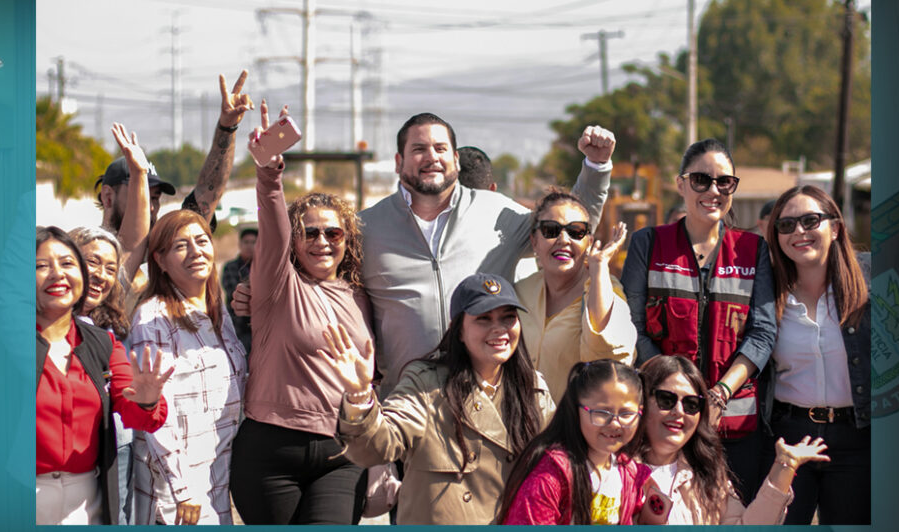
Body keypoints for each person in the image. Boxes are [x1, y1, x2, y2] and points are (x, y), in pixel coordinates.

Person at [232, 115, 614, 397]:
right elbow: (315, 276)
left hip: (487, 398)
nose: (431, 157)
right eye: (418, 149)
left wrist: (595, 168)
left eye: (440, 148)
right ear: (399, 162)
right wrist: (259, 296)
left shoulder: (498, 213)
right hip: (405, 405)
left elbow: (568, 226)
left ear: (456, 160)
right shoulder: (366, 228)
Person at [228, 102, 373, 524]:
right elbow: (272, 230)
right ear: (294, 240)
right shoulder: (277, 285)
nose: (322, 241)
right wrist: (269, 174)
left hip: (342, 452)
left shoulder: (361, 295)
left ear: (347, 239)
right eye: (309, 232)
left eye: (333, 232)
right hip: (270, 452)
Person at [620, 138, 776, 505]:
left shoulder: (754, 250)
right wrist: (678, 392)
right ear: (681, 184)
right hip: (665, 423)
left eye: (725, 182)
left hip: (735, 429)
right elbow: (631, 327)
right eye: (701, 180)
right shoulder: (648, 243)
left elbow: (763, 332)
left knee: (736, 523)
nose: (713, 191)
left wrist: (720, 394)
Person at [326, 273, 553, 524]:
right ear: (458, 331)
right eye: (483, 318)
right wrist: (359, 396)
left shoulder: (533, 390)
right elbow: (377, 447)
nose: (499, 328)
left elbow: (560, 465)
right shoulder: (426, 385)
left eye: (508, 317)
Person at [35, 226, 172, 525]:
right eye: (42, 265)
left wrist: (147, 401)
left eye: (67, 263)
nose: (58, 274)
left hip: (87, 502)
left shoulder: (103, 343)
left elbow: (136, 413)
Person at [127, 210, 247, 525]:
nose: (196, 251)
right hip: (177, 490)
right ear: (160, 261)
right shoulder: (154, 318)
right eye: (181, 245)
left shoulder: (216, 309)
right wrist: (181, 489)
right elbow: (156, 412)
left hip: (216, 477)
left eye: (202, 241)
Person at [763, 185, 870, 524]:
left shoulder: (870, 282)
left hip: (857, 436)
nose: (799, 231)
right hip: (788, 438)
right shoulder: (765, 293)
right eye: (786, 225)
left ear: (835, 228)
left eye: (810, 220)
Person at [99, 72, 254, 288]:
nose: (150, 207)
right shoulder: (86, 252)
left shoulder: (167, 249)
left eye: (154, 198)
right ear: (108, 196)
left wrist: (227, 127)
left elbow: (207, 192)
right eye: (139, 194)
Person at [633, 355, 831, 524]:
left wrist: (783, 469)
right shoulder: (620, 469)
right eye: (666, 400)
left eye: (691, 404)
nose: (678, 412)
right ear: (641, 402)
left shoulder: (708, 474)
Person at [514, 189, 635, 402]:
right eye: (551, 230)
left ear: (589, 241)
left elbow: (609, 355)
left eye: (575, 231)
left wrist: (599, 268)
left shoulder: (605, 288)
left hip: (574, 422)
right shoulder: (521, 291)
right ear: (534, 241)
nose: (563, 240)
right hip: (521, 420)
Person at [499, 360, 653, 525]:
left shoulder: (628, 472)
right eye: (602, 412)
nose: (615, 423)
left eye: (626, 414)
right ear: (576, 408)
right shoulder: (549, 474)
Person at [68, 226, 134, 523]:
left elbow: (127, 396)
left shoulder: (109, 332)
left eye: (111, 268)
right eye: (92, 262)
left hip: (113, 450)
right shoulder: (40, 326)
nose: (101, 275)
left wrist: (144, 401)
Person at [221, 224, 256, 353]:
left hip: (260, 328)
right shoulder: (230, 267)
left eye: (253, 242)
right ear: (240, 244)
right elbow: (234, 292)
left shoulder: (264, 268)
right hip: (238, 328)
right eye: (246, 242)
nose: (249, 246)